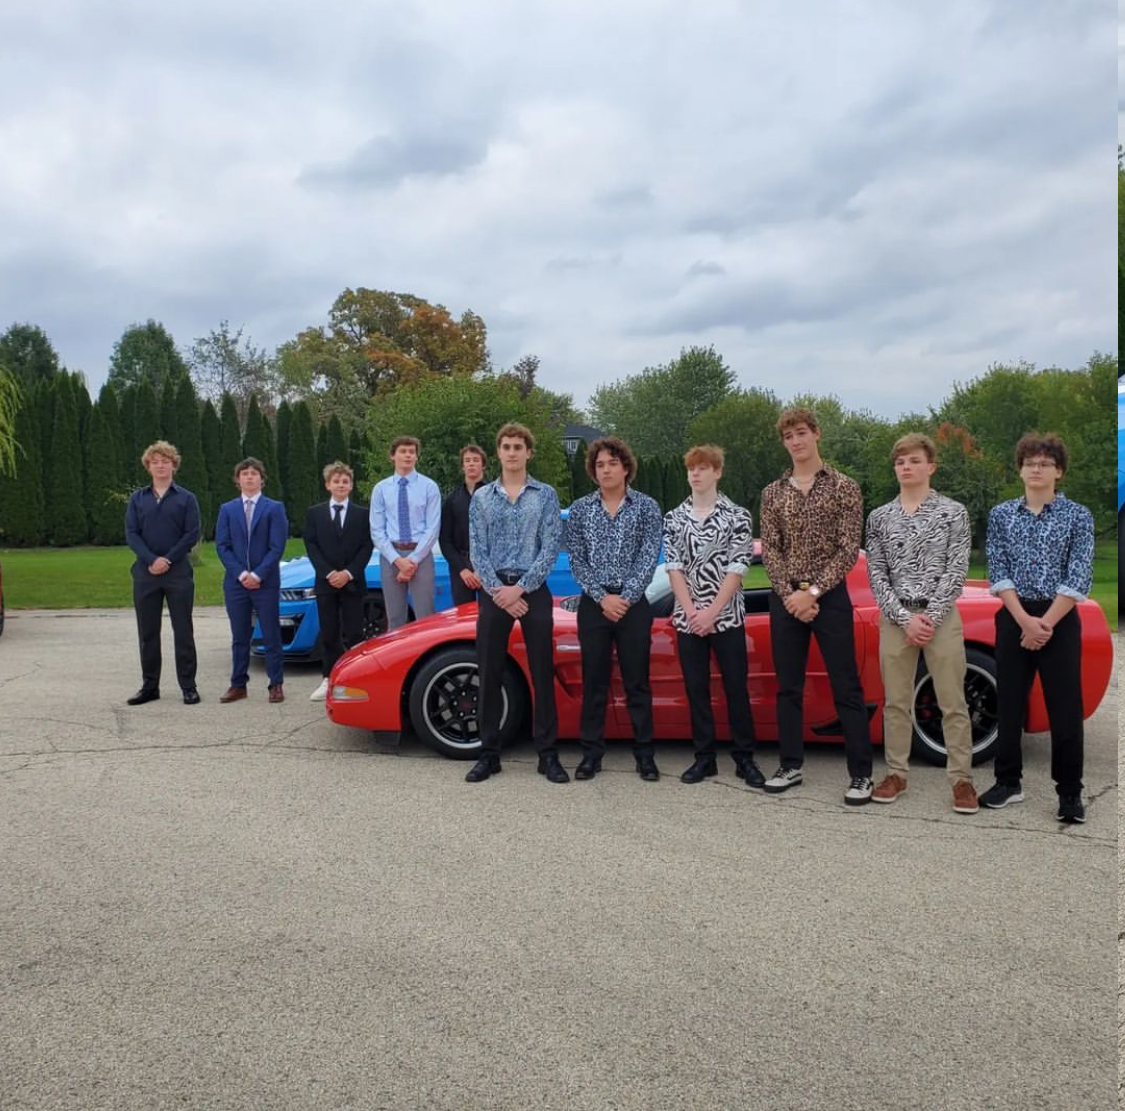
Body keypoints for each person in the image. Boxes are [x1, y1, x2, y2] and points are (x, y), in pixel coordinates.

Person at [759, 406, 875, 805]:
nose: (796, 441)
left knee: (847, 685)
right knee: (788, 687)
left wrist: (813, 593)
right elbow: (770, 549)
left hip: (830, 597)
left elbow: (848, 549)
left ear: (816, 435)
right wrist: (791, 596)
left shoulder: (845, 487)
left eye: (801, 433)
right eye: (789, 436)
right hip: (786, 598)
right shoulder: (773, 492)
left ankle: (861, 774)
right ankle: (789, 766)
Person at [980, 433, 1094, 823]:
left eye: (1045, 463)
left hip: (1058, 619)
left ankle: (1069, 794)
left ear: (1058, 471)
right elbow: (998, 570)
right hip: (1015, 615)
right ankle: (1008, 783)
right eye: (1030, 462)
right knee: (1009, 703)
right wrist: (1024, 620)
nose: (1036, 468)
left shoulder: (1078, 516)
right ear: (1020, 470)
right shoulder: (1001, 515)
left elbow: (1078, 574)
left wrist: (1043, 623)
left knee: (1065, 709)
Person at [865, 433, 977, 814]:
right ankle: (896, 773)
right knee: (896, 702)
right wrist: (903, 617)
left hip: (940, 616)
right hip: (896, 618)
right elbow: (877, 573)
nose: (906, 467)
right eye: (900, 462)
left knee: (952, 701)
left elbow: (957, 569)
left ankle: (961, 780)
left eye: (914, 461)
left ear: (930, 466)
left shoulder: (953, 512)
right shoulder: (879, 517)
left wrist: (930, 616)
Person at [464, 423, 564, 784]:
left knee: (542, 672)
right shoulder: (482, 498)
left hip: (532, 590)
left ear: (528, 452)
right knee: (488, 672)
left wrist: (520, 589)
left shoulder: (545, 495)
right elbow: (477, 549)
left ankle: (547, 754)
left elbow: (550, 546)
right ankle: (488, 754)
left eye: (518, 446)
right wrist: (498, 592)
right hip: (493, 592)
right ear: (499, 453)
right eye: (505, 446)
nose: (511, 452)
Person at [662, 444, 764, 786]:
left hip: (728, 619)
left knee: (736, 689)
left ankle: (745, 759)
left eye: (703, 468)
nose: (696, 473)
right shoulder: (674, 518)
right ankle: (704, 758)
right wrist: (692, 612)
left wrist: (712, 613)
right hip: (688, 620)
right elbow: (673, 567)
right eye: (692, 468)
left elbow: (738, 568)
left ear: (717, 472)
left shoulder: (738, 516)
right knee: (696, 691)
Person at [564, 436, 663, 781]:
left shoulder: (647, 507)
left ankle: (645, 755)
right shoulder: (579, 510)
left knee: (637, 682)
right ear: (593, 471)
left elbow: (649, 556)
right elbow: (576, 559)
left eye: (612, 463)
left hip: (633, 605)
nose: (605, 470)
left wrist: (627, 596)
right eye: (599, 465)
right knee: (595, 682)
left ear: (625, 467)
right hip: (594, 605)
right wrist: (602, 597)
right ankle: (591, 754)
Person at [123, 440, 201, 706]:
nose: (160, 465)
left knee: (183, 631)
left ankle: (188, 687)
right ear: (148, 466)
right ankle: (150, 686)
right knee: (147, 632)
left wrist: (167, 559)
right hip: (145, 575)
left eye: (165, 461)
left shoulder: (186, 498)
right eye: (155, 461)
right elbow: (132, 534)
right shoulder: (138, 499)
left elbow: (191, 533)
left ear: (173, 465)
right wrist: (150, 559)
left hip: (178, 573)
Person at [215, 457, 288, 703]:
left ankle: (275, 684)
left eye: (254, 473)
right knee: (239, 635)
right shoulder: (227, 509)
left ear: (261, 479)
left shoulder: (274, 508)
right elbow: (222, 546)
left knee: (270, 634)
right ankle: (238, 684)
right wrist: (241, 574)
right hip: (236, 584)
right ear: (238, 480)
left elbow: (277, 546)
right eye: (244, 473)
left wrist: (257, 574)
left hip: (265, 583)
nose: (249, 477)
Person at [303, 461, 375, 702]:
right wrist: (328, 573)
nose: (341, 485)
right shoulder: (315, 513)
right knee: (329, 633)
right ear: (328, 485)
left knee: (355, 632)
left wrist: (348, 573)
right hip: (326, 583)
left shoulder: (362, 514)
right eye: (336, 481)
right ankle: (328, 678)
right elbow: (311, 545)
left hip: (353, 582)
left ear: (351, 485)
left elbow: (367, 546)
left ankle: (358, 679)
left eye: (345, 481)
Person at [369, 435, 441, 630]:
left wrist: (413, 561)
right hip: (391, 556)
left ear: (417, 456)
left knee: (426, 616)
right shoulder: (381, 489)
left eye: (412, 452)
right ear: (392, 456)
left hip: (421, 555)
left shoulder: (429, 487)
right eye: (403, 451)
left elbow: (433, 527)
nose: (408, 455)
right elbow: (377, 529)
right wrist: (397, 560)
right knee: (394, 618)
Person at [439, 444, 487, 606]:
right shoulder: (452, 500)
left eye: (475, 460)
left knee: (492, 619)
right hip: (461, 566)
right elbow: (445, 540)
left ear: (483, 465)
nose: (471, 464)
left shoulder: (496, 497)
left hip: (490, 567)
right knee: (463, 616)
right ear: (462, 466)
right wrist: (462, 569)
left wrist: (483, 570)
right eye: (467, 461)